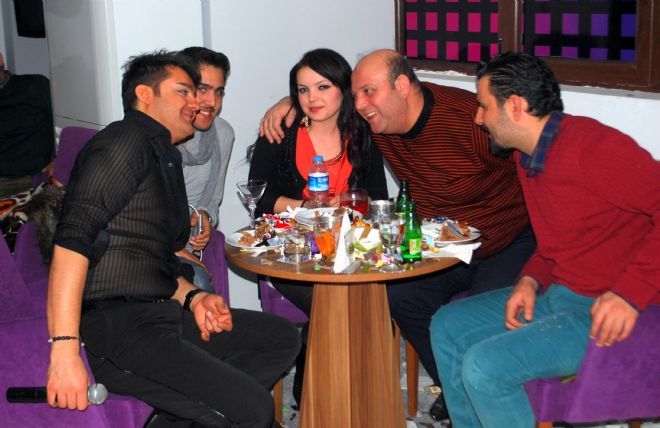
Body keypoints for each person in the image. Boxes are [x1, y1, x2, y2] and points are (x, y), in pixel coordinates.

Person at [258, 48, 535, 421]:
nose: (361, 104)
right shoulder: (376, 125)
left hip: (507, 239)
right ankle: (455, 387)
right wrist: (287, 103)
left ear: (402, 86)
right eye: (357, 95)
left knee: (477, 318)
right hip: (443, 246)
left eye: (369, 92)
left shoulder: (472, 119)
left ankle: (481, 397)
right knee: (400, 297)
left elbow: (530, 163)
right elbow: (324, 99)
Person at [46, 50, 300, 428]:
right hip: (118, 328)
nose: (197, 102)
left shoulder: (163, 154)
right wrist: (64, 352)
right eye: (184, 91)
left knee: (278, 338)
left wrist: (193, 297)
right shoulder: (122, 143)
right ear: (145, 95)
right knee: (254, 410)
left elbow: (150, 256)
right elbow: (71, 243)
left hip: (162, 315)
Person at [430, 52, 660, 428]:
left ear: (515, 106)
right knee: (448, 325)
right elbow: (558, 240)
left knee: (485, 368)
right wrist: (530, 279)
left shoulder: (594, 147)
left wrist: (630, 293)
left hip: (602, 308)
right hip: (559, 295)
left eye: (484, 106)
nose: (478, 119)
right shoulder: (529, 157)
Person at [248, 47, 388, 407]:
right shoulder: (280, 131)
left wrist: (348, 204)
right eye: (303, 90)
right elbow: (260, 198)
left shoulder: (361, 134)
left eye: (323, 87)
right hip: (290, 249)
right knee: (331, 301)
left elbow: (377, 198)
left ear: (343, 88)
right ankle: (315, 384)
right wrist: (305, 208)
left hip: (346, 247)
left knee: (363, 297)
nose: (312, 98)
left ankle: (352, 386)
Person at [175, 47, 235, 293]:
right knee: (198, 285)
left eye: (219, 91)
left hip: (188, 251)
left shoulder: (222, 134)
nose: (212, 102)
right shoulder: (155, 136)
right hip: (148, 251)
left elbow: (212, 199)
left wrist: (204, 217)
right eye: (203, 89)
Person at [0, 52, 55, 198]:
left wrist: (60, 160)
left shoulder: (34, 86)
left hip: (23, 181)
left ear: (0, 59)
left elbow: (66, 125)